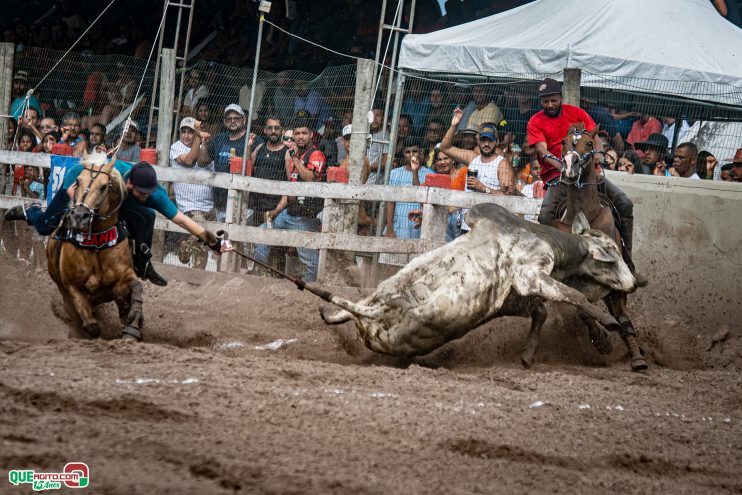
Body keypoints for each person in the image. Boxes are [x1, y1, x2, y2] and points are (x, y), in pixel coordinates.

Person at [4, 160, 228, 287]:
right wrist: (77, 200)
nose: (146, 196)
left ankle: (143, 261)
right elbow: (80, 196)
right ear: (130, 184)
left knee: (148, 215)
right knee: (47, 226)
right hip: (83, 182)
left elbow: (180, 218)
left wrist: (212, 241)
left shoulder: (153, 193)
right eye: (143, 192)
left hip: (116, 198)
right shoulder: (113, 180)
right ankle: (31, 211)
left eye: (149, 192)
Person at [526, 77, 647, 287]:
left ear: (560, 98)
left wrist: (598, 155)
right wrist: (563, 166)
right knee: (545, 215)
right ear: (540, 102)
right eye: (545, 101)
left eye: (553, 100)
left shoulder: (576, 113)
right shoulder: (535, 121)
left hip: (589, 173)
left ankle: (628, 263)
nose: (550, 105)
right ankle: (546, 269)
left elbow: (594, 137)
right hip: (558, 176)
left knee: (624, 204)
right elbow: (541, 150)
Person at [254, 118, 327, 282]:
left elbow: (310, 178)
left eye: (304, 133)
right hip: (288, 214)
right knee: (261, 234)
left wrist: (293, 158)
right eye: (297, 133)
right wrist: (276, 211)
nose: (300, 137)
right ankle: (261, 277)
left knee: (309, 262)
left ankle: (309, 292)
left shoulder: (316, 154)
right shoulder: (295, 156)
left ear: (311, 135)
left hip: (304, 217)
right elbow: (290, 189)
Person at [197, 104, 262, 219]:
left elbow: (253, 169)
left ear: (244, 120)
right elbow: (202, 162)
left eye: (236, 118)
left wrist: (248, 148)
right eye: (229, 119)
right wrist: (204, 143)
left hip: (243, 203)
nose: (232, 121)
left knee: (238, 236)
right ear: (224, 122)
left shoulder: (253, 139)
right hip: (220, 202)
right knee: (222, 236)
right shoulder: (219, 138)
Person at [379, 139, 433, 268]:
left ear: (421, 153)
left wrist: (415, 173)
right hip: (397, 227)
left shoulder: (429, 174)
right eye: (408, 152)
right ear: (403, 154)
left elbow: (421, 199)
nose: (411, 155)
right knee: (390, 268)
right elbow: (390, 202)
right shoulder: (395, 173)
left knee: (414, 269)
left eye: (415, 151)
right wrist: (390, 229)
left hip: (418, 229)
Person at [170, 117, 216, 270]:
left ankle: (197, 277)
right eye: (184, 131)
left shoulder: (204, 145)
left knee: (204, 245)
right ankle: (186, 246)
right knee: (201, 234)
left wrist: (204, 140)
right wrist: (198, 135)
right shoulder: (176, 147)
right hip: (191, 206)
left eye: (190, 132)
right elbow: (189, 161)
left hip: (209, 206)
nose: (187, 135)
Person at [441, 110, 517, 195]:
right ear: (478, 141)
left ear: (497, 141)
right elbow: (445, 147)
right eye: (483, 140)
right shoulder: (472, 157)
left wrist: (483, 188)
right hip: (468, 207)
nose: (486, 144)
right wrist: (454, 126)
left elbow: (508, 197)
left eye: (490, 140)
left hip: (489, 207)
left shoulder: (502, 164)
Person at [248, 116, 288, 227]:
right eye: (270, 128)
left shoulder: (287, 153)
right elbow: (248, 170)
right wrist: (248, 147)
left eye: (277, 128)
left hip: (274, 209)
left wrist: (276, 211)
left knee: (267, 241)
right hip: (255, 206)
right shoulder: (259, 148)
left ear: (282, 130)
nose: (273, 131)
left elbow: (291, 185)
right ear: (265, 130)